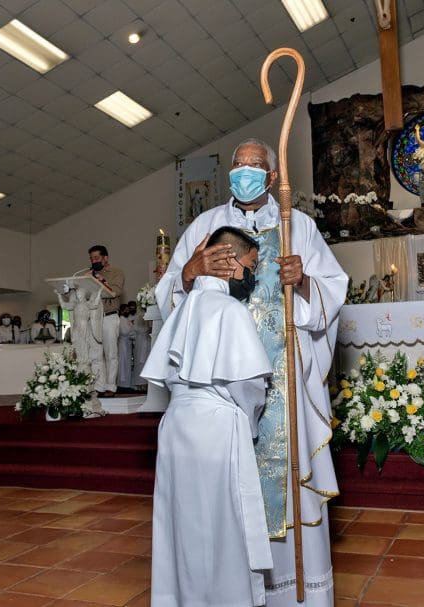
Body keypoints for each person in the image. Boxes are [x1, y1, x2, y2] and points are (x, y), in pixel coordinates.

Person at [157, 138, 348, 605]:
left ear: (273, 176)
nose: (244, 172)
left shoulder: (296, 225)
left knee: (283, 483)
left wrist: (302, 281)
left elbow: (333, 290)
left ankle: (293, 596)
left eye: (254, 166)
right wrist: (187, 273)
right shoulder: (205, 225)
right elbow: (167, 298)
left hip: (281, 383)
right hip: (220, 393)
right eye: (238, 166)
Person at [143, 226, 273, 606]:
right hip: (217, 427)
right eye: (249, 265)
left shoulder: (182, 309)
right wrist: (248, 423)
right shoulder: (230, 310)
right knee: (223, 527)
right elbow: (247, 384)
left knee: (182, 524)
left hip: (176, 424)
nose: (251, 275)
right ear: (229, 261)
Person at [89, 245, 124, 397]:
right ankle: (99, 386)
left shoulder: (117, 272)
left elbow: (115, 291)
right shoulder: (88, 274)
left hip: (109, 316)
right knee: (95, 354)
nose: (93, 261)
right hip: (93, 317)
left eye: (96, 258)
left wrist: (96, 282)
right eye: (91, 258)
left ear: (105, 258)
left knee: (111, 354)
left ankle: (110, 386)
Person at [57, 282, 103, 381]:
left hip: (84, 327)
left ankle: (84, 366)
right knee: (77, 346)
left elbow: (95, 304)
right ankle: (80, 364)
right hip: (76, 328)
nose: (79, 296)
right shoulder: (74, 305)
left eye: (80, 294)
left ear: (84, 295)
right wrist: (59, 296)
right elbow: (64, 306)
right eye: (77, 295)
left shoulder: (87, 304)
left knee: (84, 346)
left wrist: (99, 292)